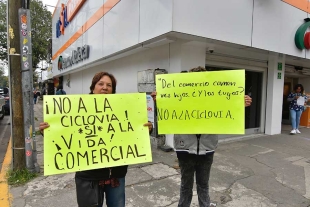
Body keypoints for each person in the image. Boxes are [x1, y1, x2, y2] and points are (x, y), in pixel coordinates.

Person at [39, 72, 153, 207]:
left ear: (113, 90)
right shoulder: (76, 110)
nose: (105, 87)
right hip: (89, 177)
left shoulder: (122, 109)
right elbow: (66, 134)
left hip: (115, 175)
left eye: (109, 85)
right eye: (101, 84)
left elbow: (133, 130)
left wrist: (146, 128)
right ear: (93, 88)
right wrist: (48, 131)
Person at [151, 66, 252, 207]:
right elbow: (164, 116)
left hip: (207, 148)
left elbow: (227, 110)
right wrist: (159, 102)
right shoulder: (180, 97)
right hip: (184, 148)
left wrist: (240, 105)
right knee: (186, 185)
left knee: (203, 185)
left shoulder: (214, 98)